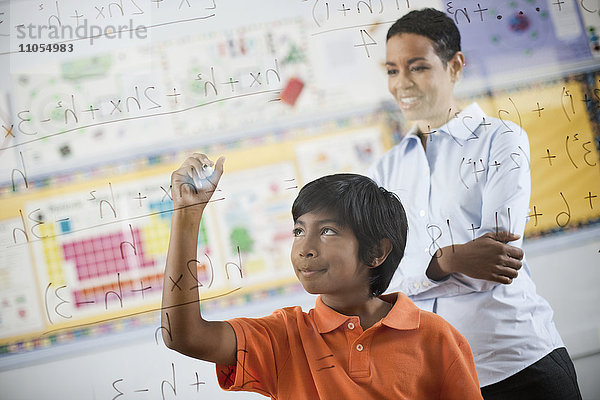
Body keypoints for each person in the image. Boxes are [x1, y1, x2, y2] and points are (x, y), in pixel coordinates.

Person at [367, 8, 582, 399]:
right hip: (442, 380)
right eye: (392, 71)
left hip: (519, 360)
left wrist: (417, 271)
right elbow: (375, 280)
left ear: (455, 66)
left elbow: (495, 262)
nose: (402, 84)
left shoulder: (501, 139)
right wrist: (444, 262)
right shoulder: (384, 170)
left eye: (417, 67)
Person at [161, 153, 483, 399]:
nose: (304, 248)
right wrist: (187, 217)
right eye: (299, 231)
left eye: (327, 231)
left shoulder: (436, 338)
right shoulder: (284, 337)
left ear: (376, 252)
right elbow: (184, 335)